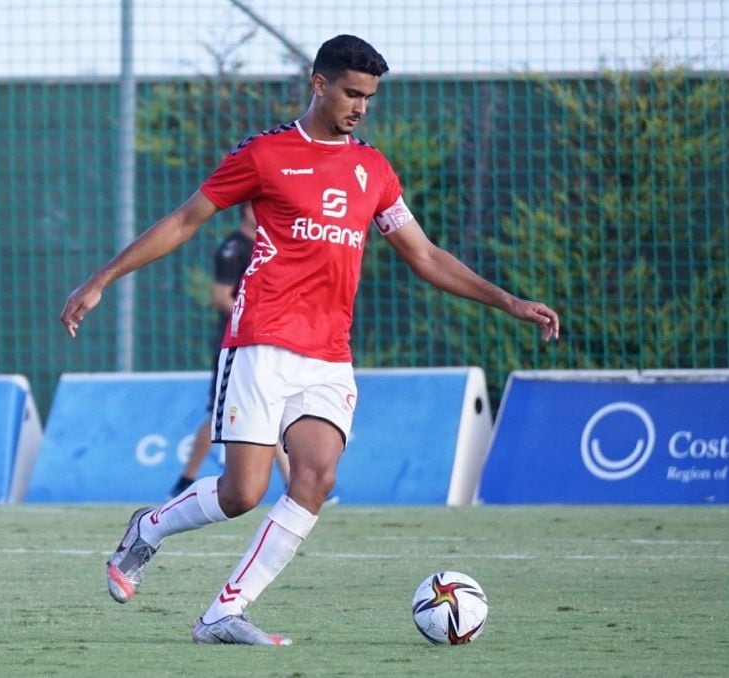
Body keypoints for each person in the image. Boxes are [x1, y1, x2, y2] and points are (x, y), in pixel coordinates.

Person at [60, 35, 560, 646]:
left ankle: (225, 611)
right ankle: (150, 526)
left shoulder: (372, 169)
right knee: (243, 492)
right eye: (351, 92)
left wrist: (507, 301)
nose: (360, 107)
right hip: (262, 340)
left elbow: (424, 255)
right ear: (318, 83)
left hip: (329, 355)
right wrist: (101, 277)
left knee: (316, 478)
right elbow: (186, 220)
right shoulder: (266, 154)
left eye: (369, 98)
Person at [169, 202, 291, 499]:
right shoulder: (233, 248)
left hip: (263, 344)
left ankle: (294, 483)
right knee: (218, 415)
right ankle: (186, 480)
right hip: (236, 344)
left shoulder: (267, 247)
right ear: (248, 211)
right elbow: (221, 297)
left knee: (267, 411)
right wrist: (255, 319)